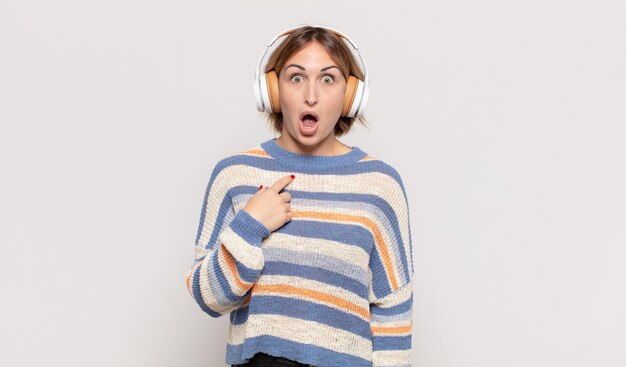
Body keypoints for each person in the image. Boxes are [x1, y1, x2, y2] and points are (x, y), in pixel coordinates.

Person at [185, 25, 414, 367]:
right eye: (295, 78)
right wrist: (249, 226)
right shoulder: (234, 176)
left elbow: (393, 309)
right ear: (273, 91)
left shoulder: (379, 186)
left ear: (350, 96)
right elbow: (209, 298)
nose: (311, 95)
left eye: (328, 79)